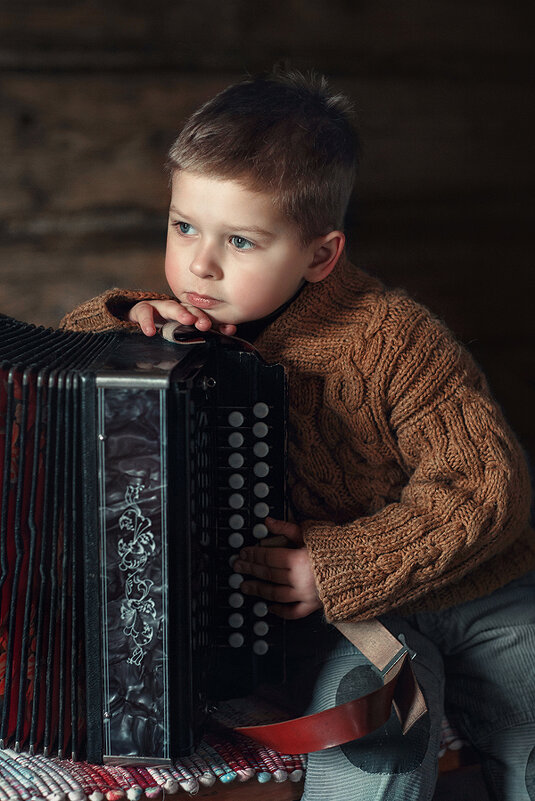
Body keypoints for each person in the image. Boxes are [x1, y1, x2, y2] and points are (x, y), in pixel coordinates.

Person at [60, 68, 535, 800]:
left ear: (320, 255)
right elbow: (64, 349)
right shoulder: (182, 324)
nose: (200, 263)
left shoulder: (392, 338)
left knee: (529, 703)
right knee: (375, 734)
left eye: (241, 241)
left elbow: (486, 487)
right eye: (184, 226)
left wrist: (335, 563)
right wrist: (125, 318)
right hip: (348, 616)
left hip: (474, 584)